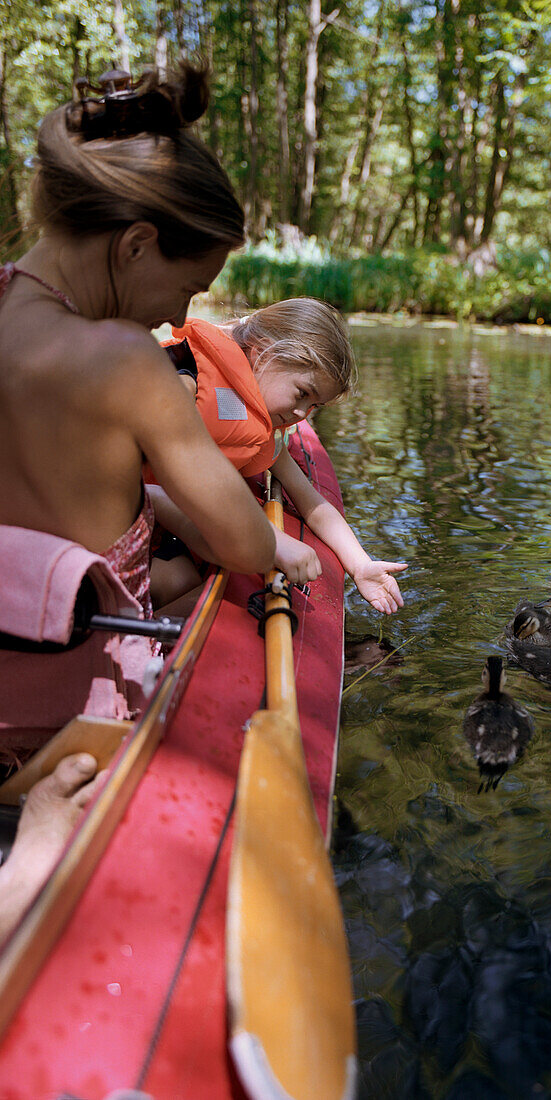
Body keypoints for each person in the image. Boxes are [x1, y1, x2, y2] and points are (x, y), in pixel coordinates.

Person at [0, 64, 275, 936]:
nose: (174, 319)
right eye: (189, 290)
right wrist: (177, 514)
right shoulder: (123, 360)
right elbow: (251, 549)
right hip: (57, 729)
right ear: (135, 245)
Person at [153, 298, 407, 614]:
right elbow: (158, 485)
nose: (303, 413)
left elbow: (313, 504)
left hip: (160, 531)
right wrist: (272, 541)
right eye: (303, 393)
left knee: (184, 583)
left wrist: (359, 565)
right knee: (184, 578)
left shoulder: (260, 430)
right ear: (263, 351)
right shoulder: (183, 379)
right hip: (116, 513)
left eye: (315, 406)